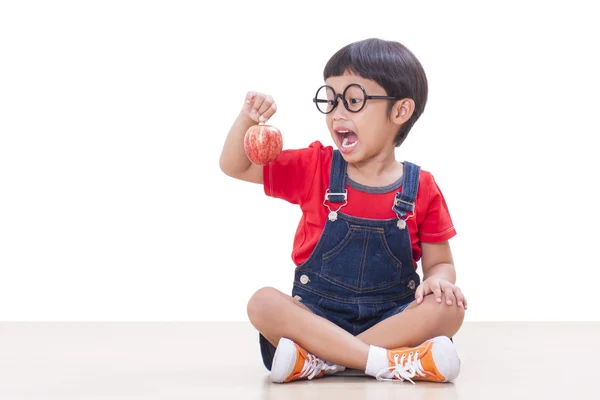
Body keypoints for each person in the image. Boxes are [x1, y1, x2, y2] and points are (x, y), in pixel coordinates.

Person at [219, 38, 467, 384]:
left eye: (353, 101)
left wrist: (440, 283)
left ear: (400, 111)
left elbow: (440, 262)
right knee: (262, 303)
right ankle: (390, 362)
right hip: (316, 317)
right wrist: (248, 119)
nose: (337, 114)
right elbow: (235, 166)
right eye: (330, 100)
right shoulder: (315, 167)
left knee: (449, 309)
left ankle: (322, 360)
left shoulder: (422, 186)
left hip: (391, 319)